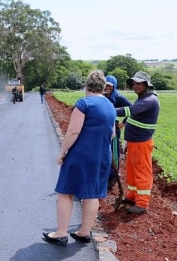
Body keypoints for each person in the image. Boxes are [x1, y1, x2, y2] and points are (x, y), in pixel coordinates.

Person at [43, 69, 116, 246]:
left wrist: (62, 152)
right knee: (92, 194)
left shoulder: (84, 104)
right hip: (102, 156)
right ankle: (84, 232)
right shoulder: (110, 106)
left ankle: (61, 233)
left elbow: (74, 131)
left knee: (65, 192)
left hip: (81, 155)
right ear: (103, 87)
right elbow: (112, 133)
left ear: (87, 85)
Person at [115, 71, 160, 214]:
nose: (135, 86)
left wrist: (106, 109)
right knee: (132, 171)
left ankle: (142, 203)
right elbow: (133, 117)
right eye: (134, 83)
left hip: (142, 142)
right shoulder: (142, 98)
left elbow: (129, 110)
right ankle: (132, 196)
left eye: (138, 83)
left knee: (142, 172)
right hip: (134, 141)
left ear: (147, 85)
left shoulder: (150, 100)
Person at [103, 75, 132, 190]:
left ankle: (113, 176)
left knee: (114, 153)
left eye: (110, 86)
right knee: (105, 152)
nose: (107, 88)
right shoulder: (102, 96)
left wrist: (124, 123)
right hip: (103, 128)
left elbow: (133, 110)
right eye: (106, 85)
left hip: (114, 128)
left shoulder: (119, 98)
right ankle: (106, 176)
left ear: (114, 87)